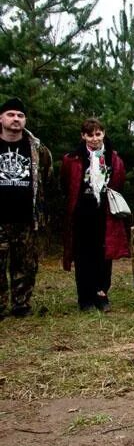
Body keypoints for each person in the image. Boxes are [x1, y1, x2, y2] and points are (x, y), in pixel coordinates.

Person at [60, 118, 130, 311]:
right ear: (83, 136)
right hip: (82, 214)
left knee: (103, 256)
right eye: (89, 135)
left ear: (103, 134)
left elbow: (119, 183)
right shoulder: (71, 159)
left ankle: (101, 294)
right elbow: (66, 185)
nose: (94, 139)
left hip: (105, 215)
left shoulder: (114, 158)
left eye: (98, 134)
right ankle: (85, 298)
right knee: (83, 257)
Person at [0, 97, 52, 318]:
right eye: (11, 115)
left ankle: (21, 305)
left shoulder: (37, 149)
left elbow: (47, 178)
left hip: (27, 218)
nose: (16, 119)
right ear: (1, 118)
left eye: (20, 116)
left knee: (26, 264)